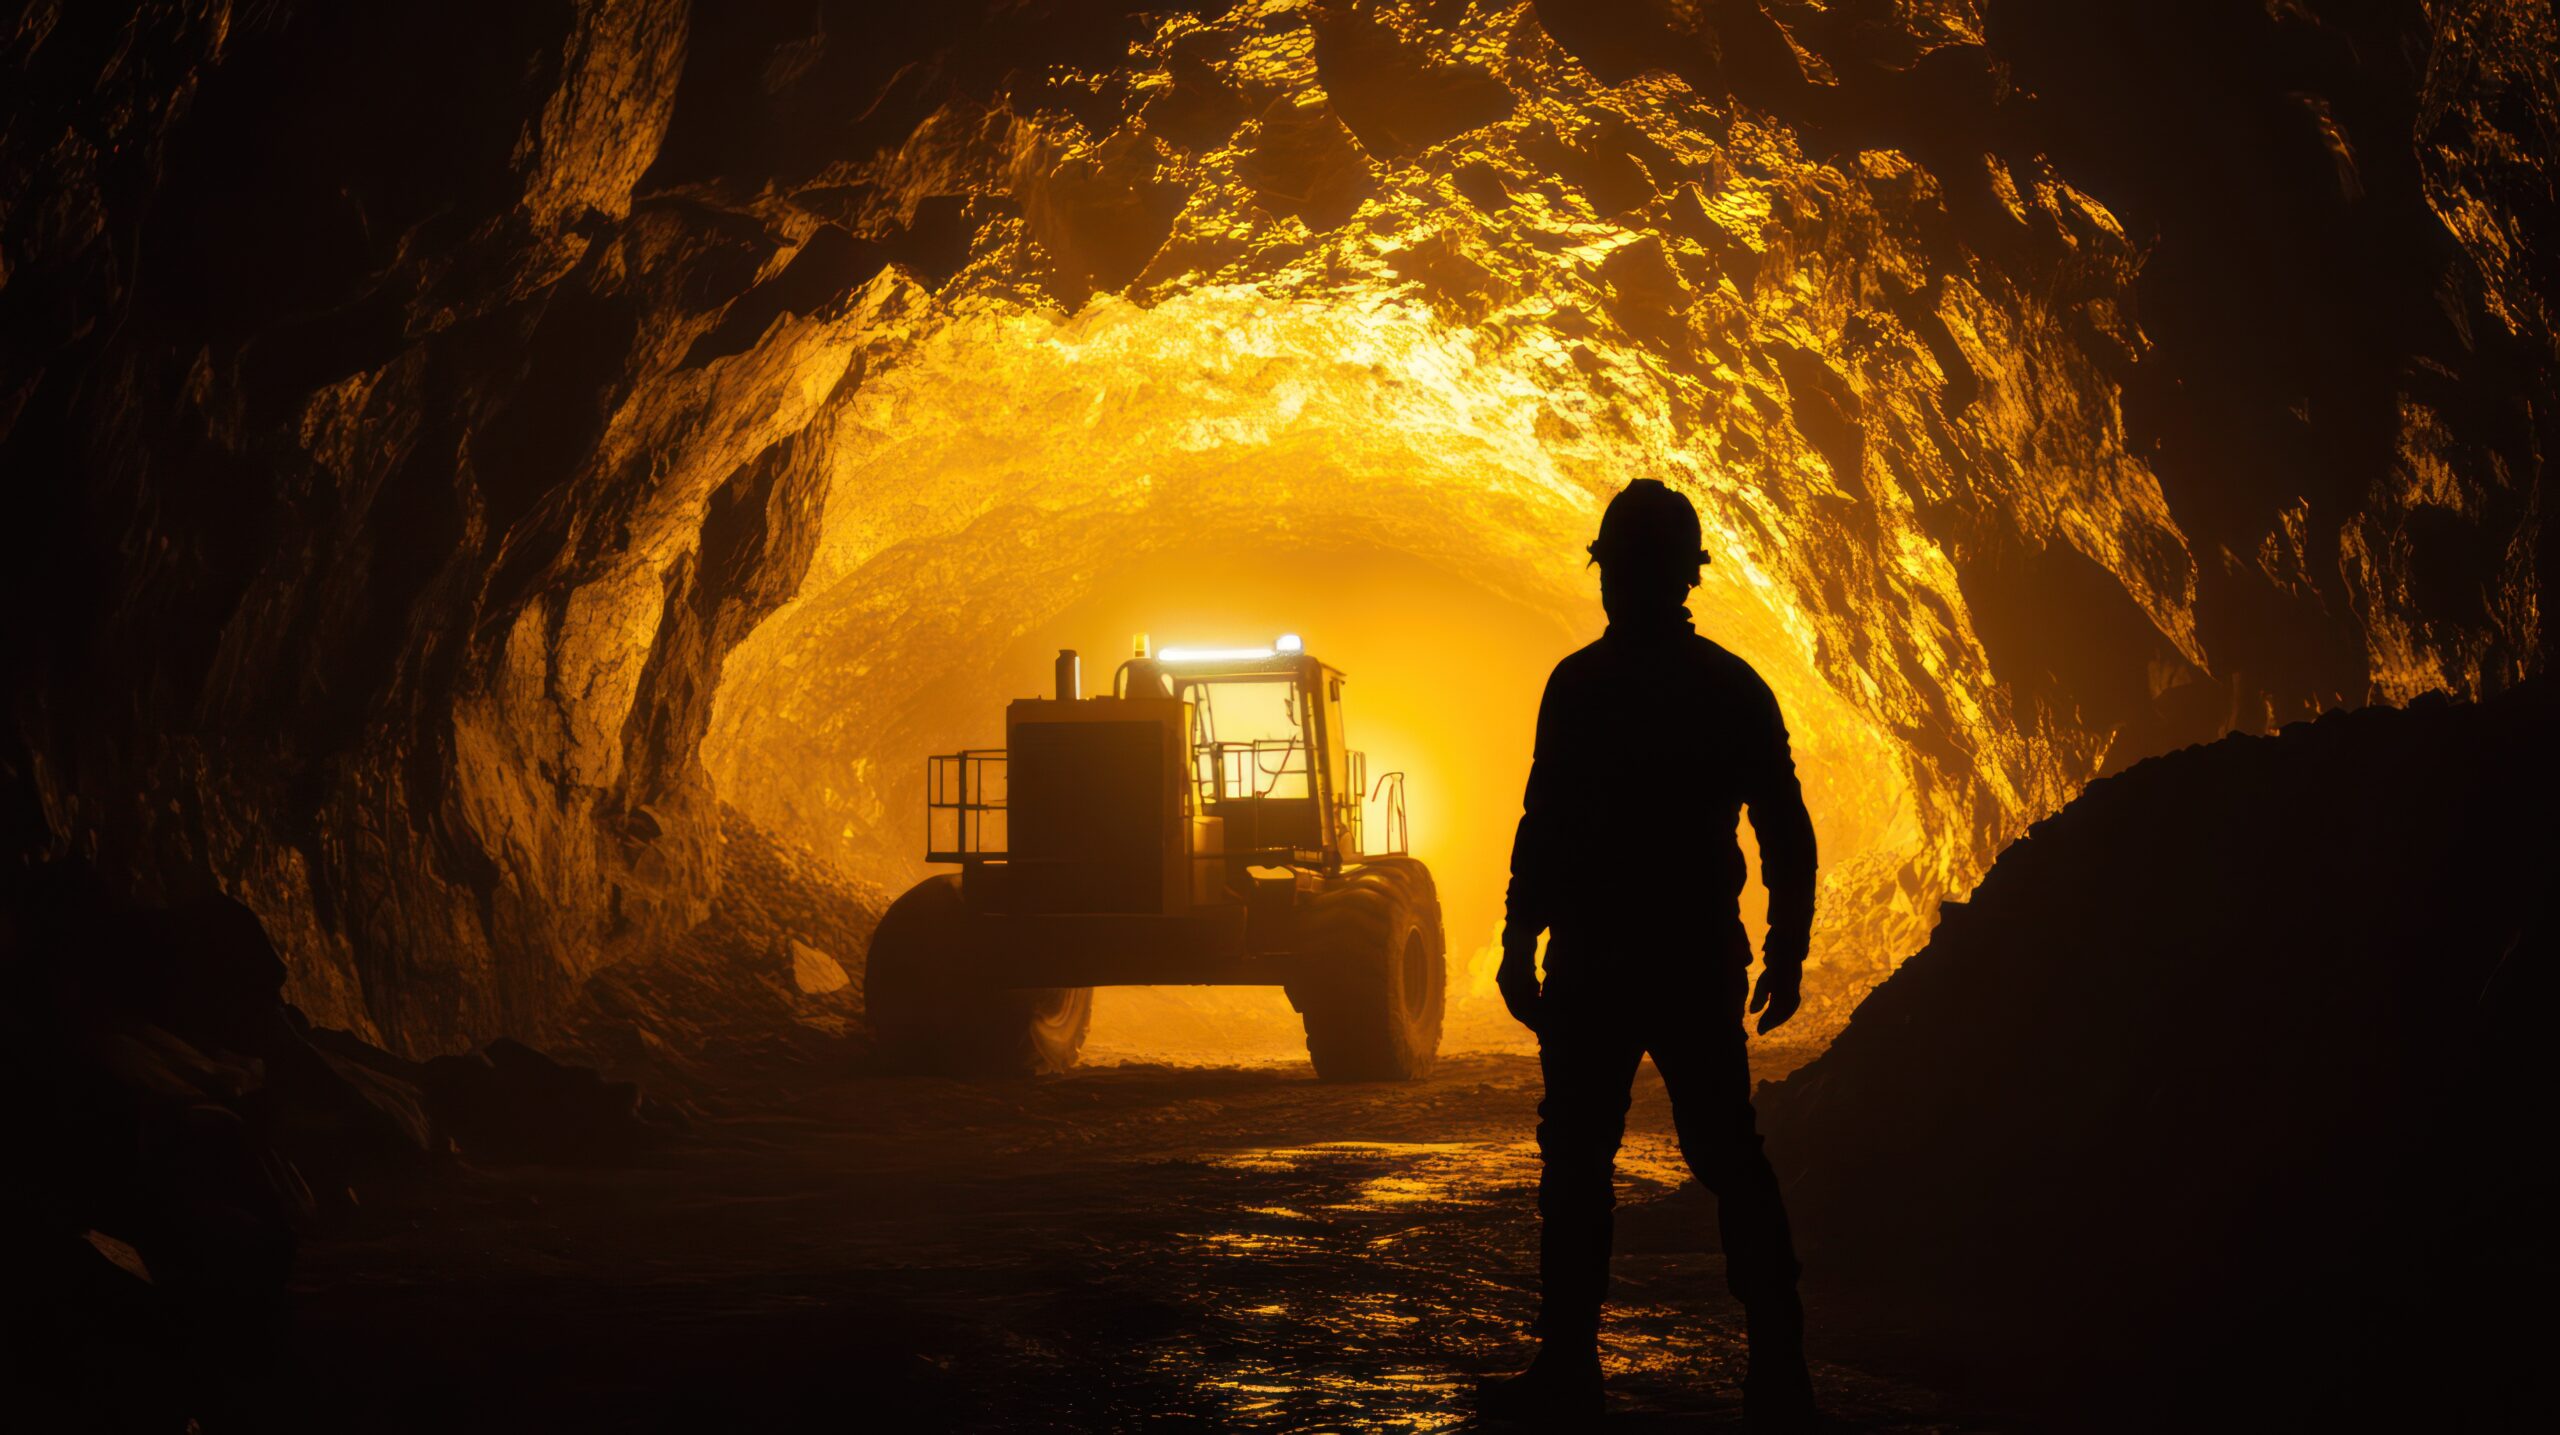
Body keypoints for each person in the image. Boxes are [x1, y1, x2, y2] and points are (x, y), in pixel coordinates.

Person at [1484, 478, 1818, 1428]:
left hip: (1597, 960)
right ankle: (1779, 1371)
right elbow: (1784, 829)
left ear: (1614, 575)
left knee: (1579, 1159)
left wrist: (1521, 938)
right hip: (1688, 957)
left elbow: (1541, 825)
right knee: (1726, 1156)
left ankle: (1569, 1368)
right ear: (1687, 575)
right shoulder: (1731, 686)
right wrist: (1786, 947)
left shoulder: (1577, 685)